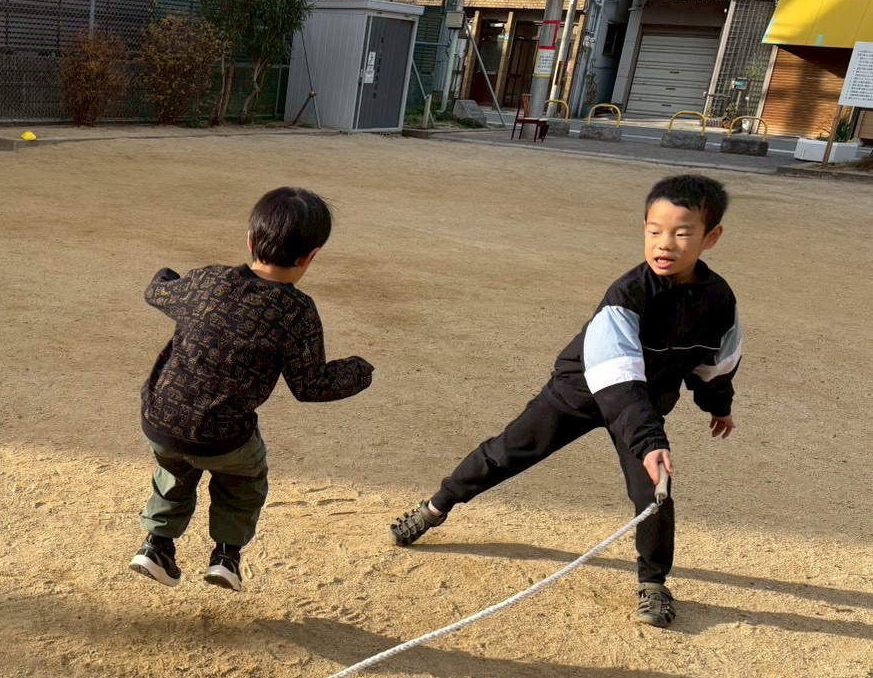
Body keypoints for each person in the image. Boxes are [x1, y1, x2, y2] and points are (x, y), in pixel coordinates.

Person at [389, 174, 742, 628]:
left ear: (711, 237)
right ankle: (435, 507)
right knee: (508, 451)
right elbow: (617, 379)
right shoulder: (626, 296)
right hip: (583, 390)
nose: (665, 243)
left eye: (682, 232)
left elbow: (718, 360)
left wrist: (718, 405)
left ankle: (653, 583)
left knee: (654, 490)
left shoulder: (719, 300)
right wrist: (650, 437)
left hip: (641, 402)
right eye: (654, 230)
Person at [130, 187, 374, 592]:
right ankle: (226, 555)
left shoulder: (207, 280)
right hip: (226, 436)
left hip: (161, 420)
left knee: (174, 470)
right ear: (310, 257)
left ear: (250, 240)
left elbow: (158, 291)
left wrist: (167, 277)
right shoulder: (296, 311)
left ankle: (157, 545)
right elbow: (310, 385)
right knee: (245, 479)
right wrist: (359, 371)